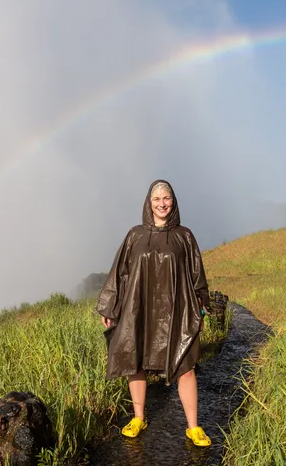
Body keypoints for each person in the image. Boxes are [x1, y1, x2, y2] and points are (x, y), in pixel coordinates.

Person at [96, 179, 211, 447]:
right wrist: (110, 307)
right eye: (157, 199)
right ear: (149, 203)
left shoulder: (185, 236)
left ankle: (193, 427)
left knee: (185, 366)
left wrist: (200, 310)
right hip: (138, 308)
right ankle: (139, 417)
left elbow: (198, 276)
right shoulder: (134, 235)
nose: (162, 203)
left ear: (173, 202)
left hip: (177, 311)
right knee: (135, 362)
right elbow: (120, 272)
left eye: (167, 198)